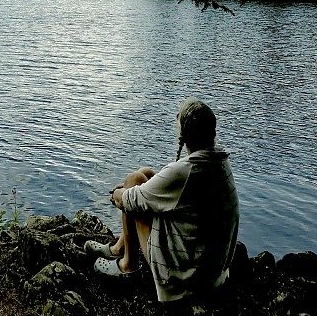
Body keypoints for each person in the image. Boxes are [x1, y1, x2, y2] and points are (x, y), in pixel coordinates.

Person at [85, 98, 239, 304]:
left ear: (184, 135)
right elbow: (175, 192)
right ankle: (118, 248)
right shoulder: (218, 162)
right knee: (145, 174)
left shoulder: (187, 170)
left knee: (133, 182)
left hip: (186, 279)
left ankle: (128, 265)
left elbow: (130, 200)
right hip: (213, 273)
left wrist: (117, 194)